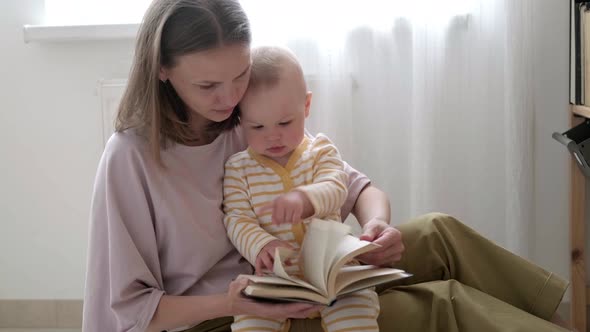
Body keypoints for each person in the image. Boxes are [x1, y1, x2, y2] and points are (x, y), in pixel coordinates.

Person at [82, 0, 569, 331]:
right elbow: (130, 310)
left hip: (305, 273)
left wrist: (376, 221)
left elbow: (354, 185)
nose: (229, 97)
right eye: (208, 86)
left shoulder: (245, 120)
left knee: (439, 232)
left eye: (240, 75)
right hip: (233, 319)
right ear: (162, 70)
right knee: (445, 303)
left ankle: (569, 314)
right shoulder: (131, 158)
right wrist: (232, 302)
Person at [222, 46, 381, 332]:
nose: (273, 136)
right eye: (257, 127)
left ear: (306, 107)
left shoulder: (321, 150)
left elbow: (336, 187)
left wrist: (306, 198)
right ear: (240, 120)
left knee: (357, 313)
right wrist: (261, 245)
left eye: (285, 122)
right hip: (274, 278)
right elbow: (236, 219)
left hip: (334, 272)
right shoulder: (238, 169)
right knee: (249, 320)